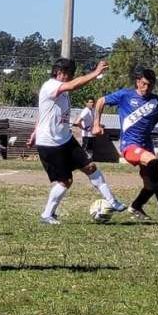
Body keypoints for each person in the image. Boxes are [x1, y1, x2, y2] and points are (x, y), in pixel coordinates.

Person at [28, 58, 126, 225]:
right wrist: (95, 73)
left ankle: (113, 202)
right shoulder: (50, 85)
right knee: (66, 181)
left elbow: (44, 113)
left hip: (65, 139)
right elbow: (73, 85)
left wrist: (34, 131)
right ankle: (47, 215)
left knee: (91, 167)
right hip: (50, 144)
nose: (70, 77)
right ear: (59, 73)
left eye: (71, 74)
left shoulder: (62, 91)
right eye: (68, 74)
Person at [93, 67, 158, 220]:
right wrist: (96, 124)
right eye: (144, 84)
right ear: (138, 82)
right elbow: (100, 101)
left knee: (150, 185)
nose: (147, 88)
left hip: (146, 146)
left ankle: (137, 206)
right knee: (152, 161)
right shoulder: (125, 95)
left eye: (150, 85)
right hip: (129, 145)